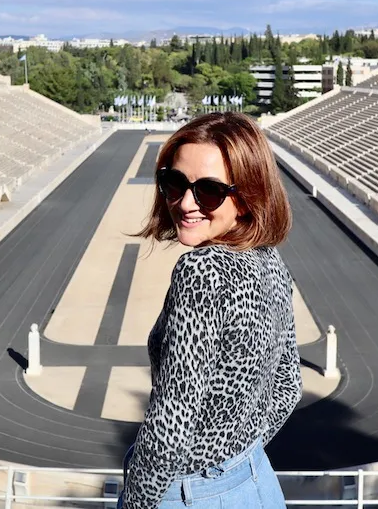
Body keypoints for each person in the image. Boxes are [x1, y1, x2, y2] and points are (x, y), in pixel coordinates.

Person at [120, 112, 302, 509]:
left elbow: (171, 425)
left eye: (209, 191)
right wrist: (233, 454)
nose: (185, 203)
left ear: (248, 194)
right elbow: (289, 386)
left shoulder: (201, 271)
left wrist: (136, 502)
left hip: (191, 493)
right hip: (255, 481)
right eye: (174, 182)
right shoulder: (269, 259)